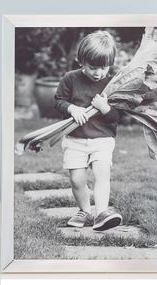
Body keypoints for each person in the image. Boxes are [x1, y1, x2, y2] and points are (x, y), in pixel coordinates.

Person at [54, 30, 122, 231]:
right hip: (75, 139)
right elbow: (58, 102)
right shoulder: (70, 79)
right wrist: (71, 108)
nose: (98, 73)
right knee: (77, 179)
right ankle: (84, 211)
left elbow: (117, 116)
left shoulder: (112, 85)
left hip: (103, 138)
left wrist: (105, 108)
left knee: (102, 174)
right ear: (80, 60)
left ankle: (101, 214)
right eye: (93, 67)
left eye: (104, 67)